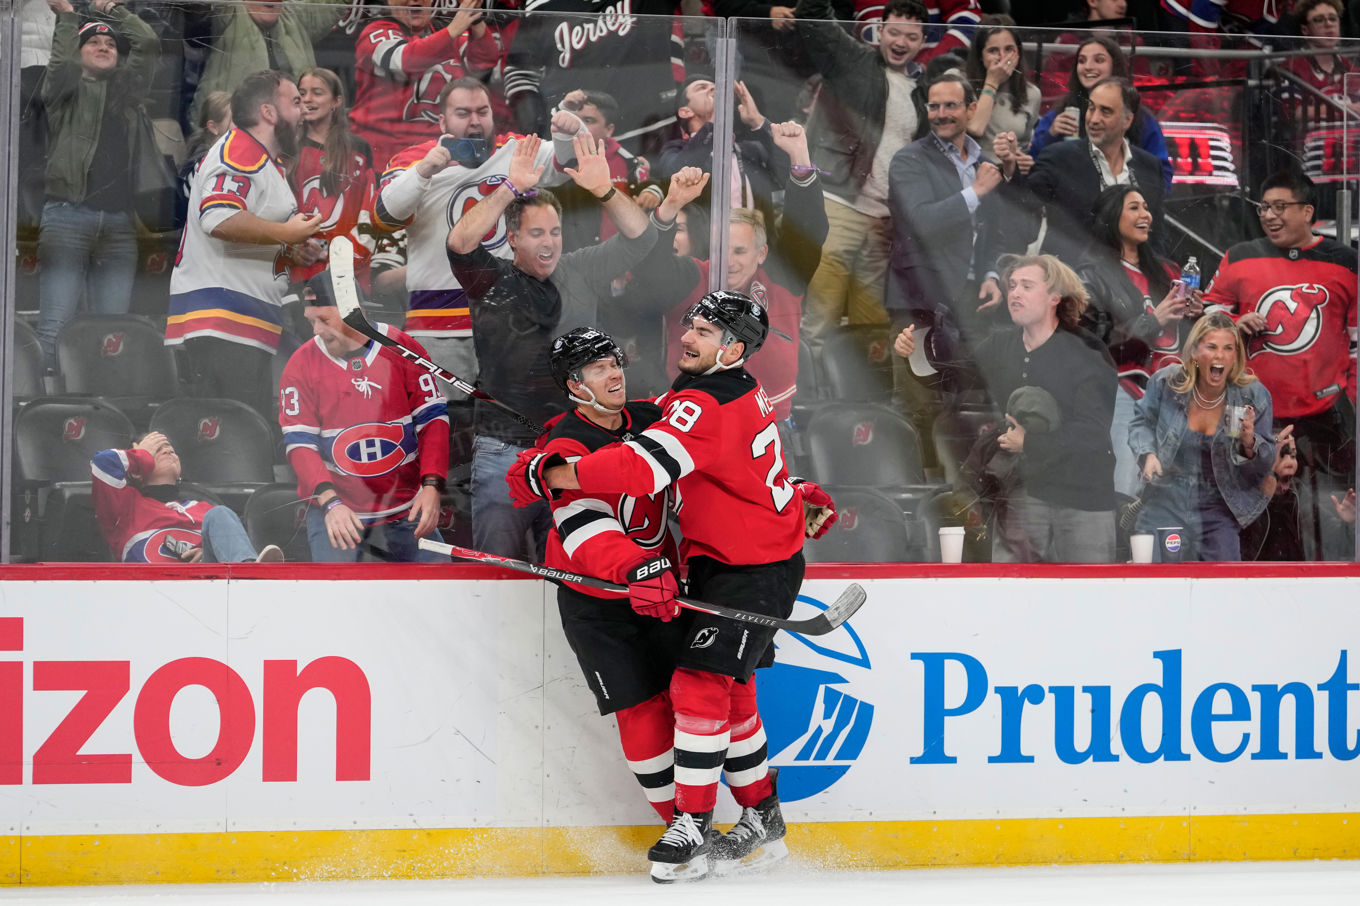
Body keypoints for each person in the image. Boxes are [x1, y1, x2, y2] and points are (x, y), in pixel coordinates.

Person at [523, 290, 838, 881]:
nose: (686, 337)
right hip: (704, 570)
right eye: (689, 323)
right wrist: (792, 492)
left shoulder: (696, 402)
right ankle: (761, 817)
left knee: (698, 685)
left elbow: (642, 467)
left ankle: (692, 825)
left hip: (749, 568)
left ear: (733, 349)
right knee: (728, 693)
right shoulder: (721, 390)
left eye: (702, 331)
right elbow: (730, 464)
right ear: (572, 383)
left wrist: (560, 472)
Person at [446, 133, 659, 561]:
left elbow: (642, 238)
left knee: (574, 569)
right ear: (512, 238)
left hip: (576, 447)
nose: (549, 242)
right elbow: (459, 243)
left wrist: (603, 189)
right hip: (504, 449)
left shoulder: (580, 268)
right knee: (498, 574)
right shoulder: (490, 280)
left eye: (556, 232)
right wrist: (508, 188)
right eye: (537, 232)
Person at [534, 326, 691, 828]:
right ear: (574, 385)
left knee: (690, 698)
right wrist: (636, 566)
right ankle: (679, 824)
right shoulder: (563, 442)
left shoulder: (649, 418)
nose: (614, 372)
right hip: (596, 600)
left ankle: (702, 813)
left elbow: (708, 425)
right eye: (598, 367)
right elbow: (581, 527)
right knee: (639, 707)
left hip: (660, 589)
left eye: (614, 361)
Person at [896, 254, 1119, 562]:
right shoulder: (1001, 345)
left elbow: (1093, 433)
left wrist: (1029, 442)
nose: (1014, 293)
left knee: (1089, 600)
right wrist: (914, 355)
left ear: (1055, 297)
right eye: (1012, 285)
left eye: (1027, 286)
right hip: (1023, 492)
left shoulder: (1088, 352)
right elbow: (952, 379)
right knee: (1011, 594)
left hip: (1083, 498)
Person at [373, 77, 577, 397]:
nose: (474, 122)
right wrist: (424, 171)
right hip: (436, 325)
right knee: (445, 424)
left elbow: (565, 164)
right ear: (442, 120)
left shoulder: (516, 149)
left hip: (509, 323)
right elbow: (385, 215)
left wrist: (567, 130)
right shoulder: (414, 159)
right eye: (463, 113)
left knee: (514, 419)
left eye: (482, 112)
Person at [1202, 169, 1356, 557]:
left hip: (1325, 418)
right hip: (1249, 416)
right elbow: (1206, 318)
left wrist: (1349, 398)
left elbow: (1356, 343)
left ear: (1307, 211)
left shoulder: (1346, 262)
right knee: (1251, 523)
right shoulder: (1239, 257)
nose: (1269, 215)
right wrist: (1235, 323)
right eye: (1264, 207)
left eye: (1280, 207)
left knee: (1329, 525)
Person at [634, 122, 828, 423]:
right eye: (722, 251)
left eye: (740, 251)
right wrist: (670, 205)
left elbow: (808, 229)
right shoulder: (691, 277)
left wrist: (800, 157)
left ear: (761, 253)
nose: (730, 262)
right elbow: (651, 269)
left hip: (768, 424)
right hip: (695, 422)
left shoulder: (782, 280)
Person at [165, 70, 324, 419]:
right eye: (296, 102)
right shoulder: (241, 151)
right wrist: (286, 235)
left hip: (241, 320)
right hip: (221, 322)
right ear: (268, 113)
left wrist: (292, 248)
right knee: (229, 444)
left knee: (245, 435)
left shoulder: (265, 161)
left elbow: (247, 231)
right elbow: (218, 218)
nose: (304, 112)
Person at [277, 272, 450, 562]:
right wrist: (330, 503)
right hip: (340, 511)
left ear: (353, 313)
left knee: (445, 592)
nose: (316, 330)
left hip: (407, 508)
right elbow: (300, 446)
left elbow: (433, 421)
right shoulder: (300, 366)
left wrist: (432, 486)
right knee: (339, 600)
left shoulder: (402, 348)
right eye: (311, 321)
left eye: (325, 320)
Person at [794, 0, 928, 339]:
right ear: (879, 31)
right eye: (894, 32)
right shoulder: (853, 59)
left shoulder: (923, 90)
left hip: (885, 221)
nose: (901, 42)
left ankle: (863, 395)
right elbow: (813, 15)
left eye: (911, 36)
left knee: (871, 326)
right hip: (839, 204)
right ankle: (808, 392)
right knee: (820, 316)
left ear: (923, 41)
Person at [36, 0, 158, 371]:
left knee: (112, 332)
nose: (104, 47)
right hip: (66, 217)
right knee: (55, 323)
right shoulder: (62, 94)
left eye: (110, 45)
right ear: (78, 51)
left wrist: (116, 13)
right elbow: (62, 65)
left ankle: (98, 405)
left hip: (119, 226)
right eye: (93, 43)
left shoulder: (128, 97)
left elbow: (149, 43)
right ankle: (49, 407)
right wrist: (68, 16)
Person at [1077, 184, 1201, 501]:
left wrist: (1195, 315)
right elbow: (1094, 342)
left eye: (1146, 206)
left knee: (1177, 492)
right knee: (1129, 487)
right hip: (1125, 392)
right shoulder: (1091, 275)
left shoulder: (1169, 270)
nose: (1145, 214)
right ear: (1111, 216)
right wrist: (1152, 321)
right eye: (1134, 207)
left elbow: (1185, 337)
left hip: (1176, 394)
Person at [1128, 313, 1276, 561]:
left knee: (1222, 589)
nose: (1220, 356)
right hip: (1165, 499)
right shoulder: (1167, 382)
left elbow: (1260, 470)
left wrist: (1249, 443)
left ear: (1235, 355)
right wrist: (1148, 454)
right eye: (1212, 347)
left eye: (1228, 348)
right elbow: (1140, 422)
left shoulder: (1251, 395)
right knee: (1153, 584)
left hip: (1218, 506)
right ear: (1195, 351)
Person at [998, 77, 1167, 266]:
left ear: (1127, 120)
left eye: (1106, 111)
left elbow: (1156, 237)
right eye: (1092, 108)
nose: (1094, 119)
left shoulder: (1149, 166)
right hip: (1071, 279)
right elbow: (1024, 209)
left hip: (1132, 284)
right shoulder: (1059, 157)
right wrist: (1010, 167)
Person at [502, 0, 682, 152]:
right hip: (570, 144)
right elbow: (520, 72)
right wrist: (538, 130)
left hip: (650, 139)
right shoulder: (542, 3)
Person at [349, 0, 498, 172]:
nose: (415, 0)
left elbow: (484, 61)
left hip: (440, 155)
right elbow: (403, 62)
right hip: (383, 158)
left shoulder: (444, 33)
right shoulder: (376, 32)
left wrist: (475, 19)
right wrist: (451, 32)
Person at [92, 432, 284, 564]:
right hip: (151, 597)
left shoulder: (206, 510)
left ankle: (249, 577)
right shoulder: (125, 508)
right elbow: (101, 463)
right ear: (136, 469)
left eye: (170, 449)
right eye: (157, 450)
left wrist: (206, 552)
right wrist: (141, 456)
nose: (168, 450)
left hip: (206, 591)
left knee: (220, 514)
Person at [1026, 36, 1172, 190]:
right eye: (1082, 61)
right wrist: (1050, 135)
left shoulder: (1142, 119)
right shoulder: (1059, 115)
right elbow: (1034, 166)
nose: (1088, 67)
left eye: (1099, 60)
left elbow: (1162, 175)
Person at [188, 0, 345, 126]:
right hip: (229, 132)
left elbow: (333, 5)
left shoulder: (294, 16)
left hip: (292, 134)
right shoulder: (227, 12)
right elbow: (200, 10)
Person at [289, 67, 377, 290]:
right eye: (302, 93)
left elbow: (367, 217)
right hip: (295, 274)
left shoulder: (359, 149)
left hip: (344, 275)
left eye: (317, 93)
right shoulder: (286, 149)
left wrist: (329, 252)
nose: (307, 99)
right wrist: (292, 249)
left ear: (336, 101)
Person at [964, 15, 1041, 153]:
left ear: (1018, 52)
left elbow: (1023, 145)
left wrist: (1022, 161)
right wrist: (992, 81)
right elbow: (975, 128)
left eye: (1009, 49)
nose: (1002, 57)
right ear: (980, 56)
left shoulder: (1032, 93)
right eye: (993, 50)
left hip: (1007, 171)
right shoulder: (959, 82)